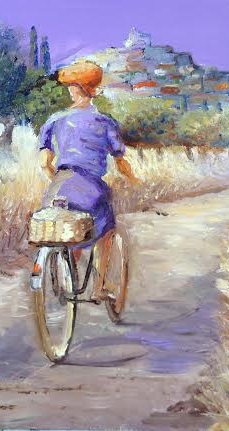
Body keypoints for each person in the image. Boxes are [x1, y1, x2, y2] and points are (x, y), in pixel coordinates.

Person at [38, 61, 140, 306]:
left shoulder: (54, 120)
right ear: (94, 89)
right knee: (106, 229)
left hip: (59, 186)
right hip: (91, 188)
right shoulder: (105, 123)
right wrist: (134, 180)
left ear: (74, 89)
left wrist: (59, 179)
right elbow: (120, 162)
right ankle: (99, 287)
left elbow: (44, 163)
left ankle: (68, 277)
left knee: (69, 227)